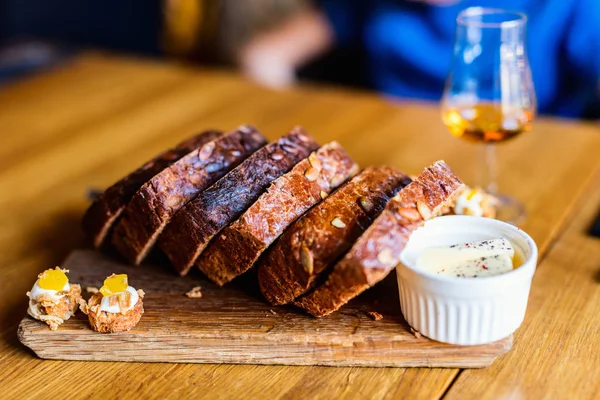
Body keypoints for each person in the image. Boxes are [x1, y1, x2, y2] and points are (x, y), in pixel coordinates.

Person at [239, 0, 600, 118]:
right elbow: (263, 56)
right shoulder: (367, 5)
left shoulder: (565, 6)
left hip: (534, 166)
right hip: (400, 162)